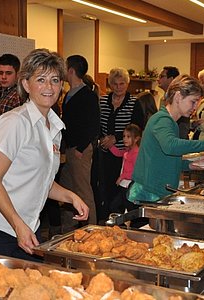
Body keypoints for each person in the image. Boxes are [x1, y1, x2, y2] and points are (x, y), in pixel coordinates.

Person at [0, 49, 89, 264]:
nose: (49, 87)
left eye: (54, 80)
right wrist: (18, 225)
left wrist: (71, 197)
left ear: (62, 85)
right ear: (26, 84)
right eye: (40, 80)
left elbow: (41, 181)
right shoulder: (14, 122)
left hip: (27, 229)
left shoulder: (54, 127)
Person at [129, 75, 204, 202]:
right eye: (193, 101)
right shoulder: (162, 120)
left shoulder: (170, 122)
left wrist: (191, 165)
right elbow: (170, 146)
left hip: (157, 190)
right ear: (178, 96)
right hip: (149, 191)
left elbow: (166, 159)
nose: (195, 108)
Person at [59, 55, 100, 229]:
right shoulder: (69, 93)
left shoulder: (87, 95)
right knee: (67, 190)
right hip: (70, 148)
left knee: (84, 190)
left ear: (71, 70)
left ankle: (92, 229)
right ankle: (68, 229)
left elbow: (94, 125)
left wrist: (81, 148)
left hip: (80, 149)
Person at [96, 67, 136, 223]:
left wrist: (116, 138)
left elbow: (136, 127)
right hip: (105, 152)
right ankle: (106, 218)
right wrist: (102, 139)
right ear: (110, 85)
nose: (119, 87)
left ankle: (119, 218)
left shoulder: (134, 102)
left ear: (127, 84)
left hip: (124, 153)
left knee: (120, 188)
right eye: (115, 84)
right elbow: (97, 123)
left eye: (122, 84)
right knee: (104, 186)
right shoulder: (103, 101)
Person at [109, 124, 141, 215]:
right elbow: (119, 153)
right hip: (125, 186)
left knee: (129, 209)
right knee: (116, 206)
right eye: (124, 136)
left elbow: (136, 172)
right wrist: (109, 146)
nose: (125, 139)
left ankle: (130, 225)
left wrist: (122, 176)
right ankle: (122, 225)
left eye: (128, 137)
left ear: (136, 139)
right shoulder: (128, 150)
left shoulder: (136, 153)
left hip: (130, 186)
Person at [157, 66, 189, 139]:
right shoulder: (162, 98)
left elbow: (183, 126)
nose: (158, 79)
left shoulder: (179, 99)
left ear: (171, 79)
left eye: (162, 76)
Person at [0, 53, 22, 123]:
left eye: (8, 73)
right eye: (0, 73)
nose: (3, 77)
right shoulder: (3, 94)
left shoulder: (17, 96)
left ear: (17, 74)